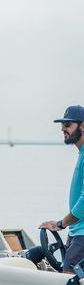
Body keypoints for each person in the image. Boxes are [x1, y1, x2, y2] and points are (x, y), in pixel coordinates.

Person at [39, 105, 84, 273]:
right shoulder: (82, 153)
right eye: (62, 125)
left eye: (68, 124)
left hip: (82, 234)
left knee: (68, 279)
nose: (62, 129)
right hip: (77, 231)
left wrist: (61, 223)